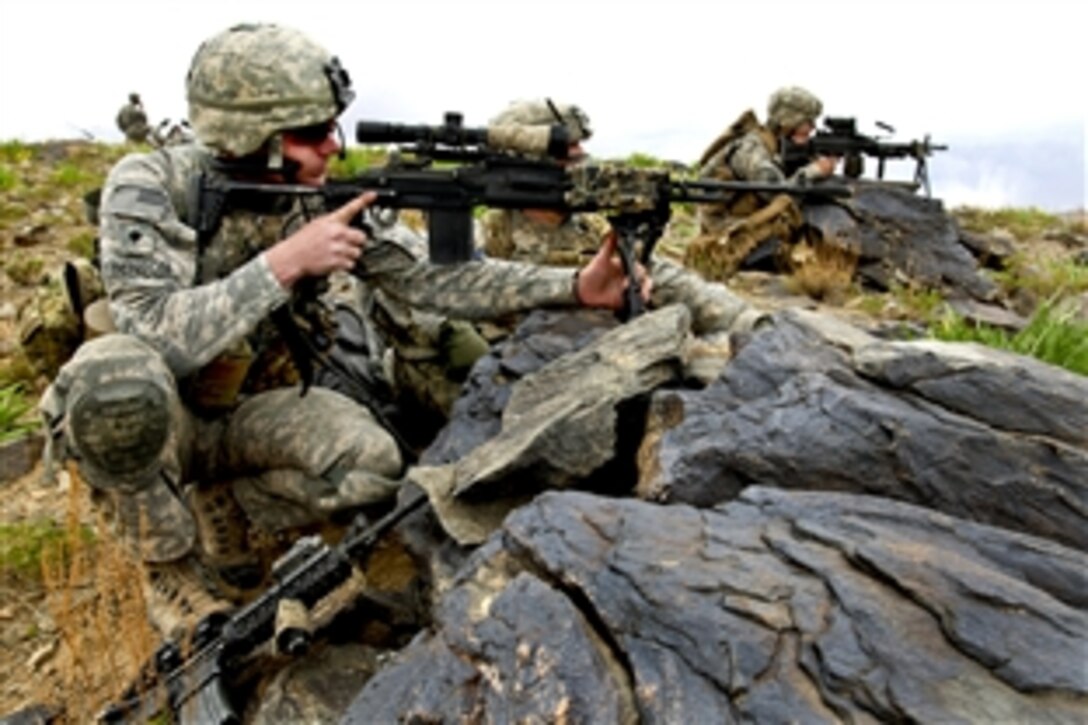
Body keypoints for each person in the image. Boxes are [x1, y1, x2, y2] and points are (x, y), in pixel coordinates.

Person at [39, 23, 650, 645]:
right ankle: (170, 571)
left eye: (334, 126)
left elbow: (432, 281)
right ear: (254, 134)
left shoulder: (318, 198)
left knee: (373, 465)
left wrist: (574, 287)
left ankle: (227, 500)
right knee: (113, 381)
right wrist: (285, 264)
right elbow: (152, 330)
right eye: (312, 132)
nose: (334, 145)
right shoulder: (151, 185)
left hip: (254, 412)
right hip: (168, 417)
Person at [477, 98, 767, 378]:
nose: (581, 156)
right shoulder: (490, 237)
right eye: (566, 147)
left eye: (580, 145)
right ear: (526, 158)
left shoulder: (594, 229)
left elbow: (666, 278)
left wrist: (748, 321)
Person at [685, 86, 839, 281]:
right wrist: (813, 171)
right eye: (806, 121)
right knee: (785, 206)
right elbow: (774, 192)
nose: (811, 128)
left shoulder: (772, 145)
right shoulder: (752, 149)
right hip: (726, 237)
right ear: (788, 119)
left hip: (736, 227)